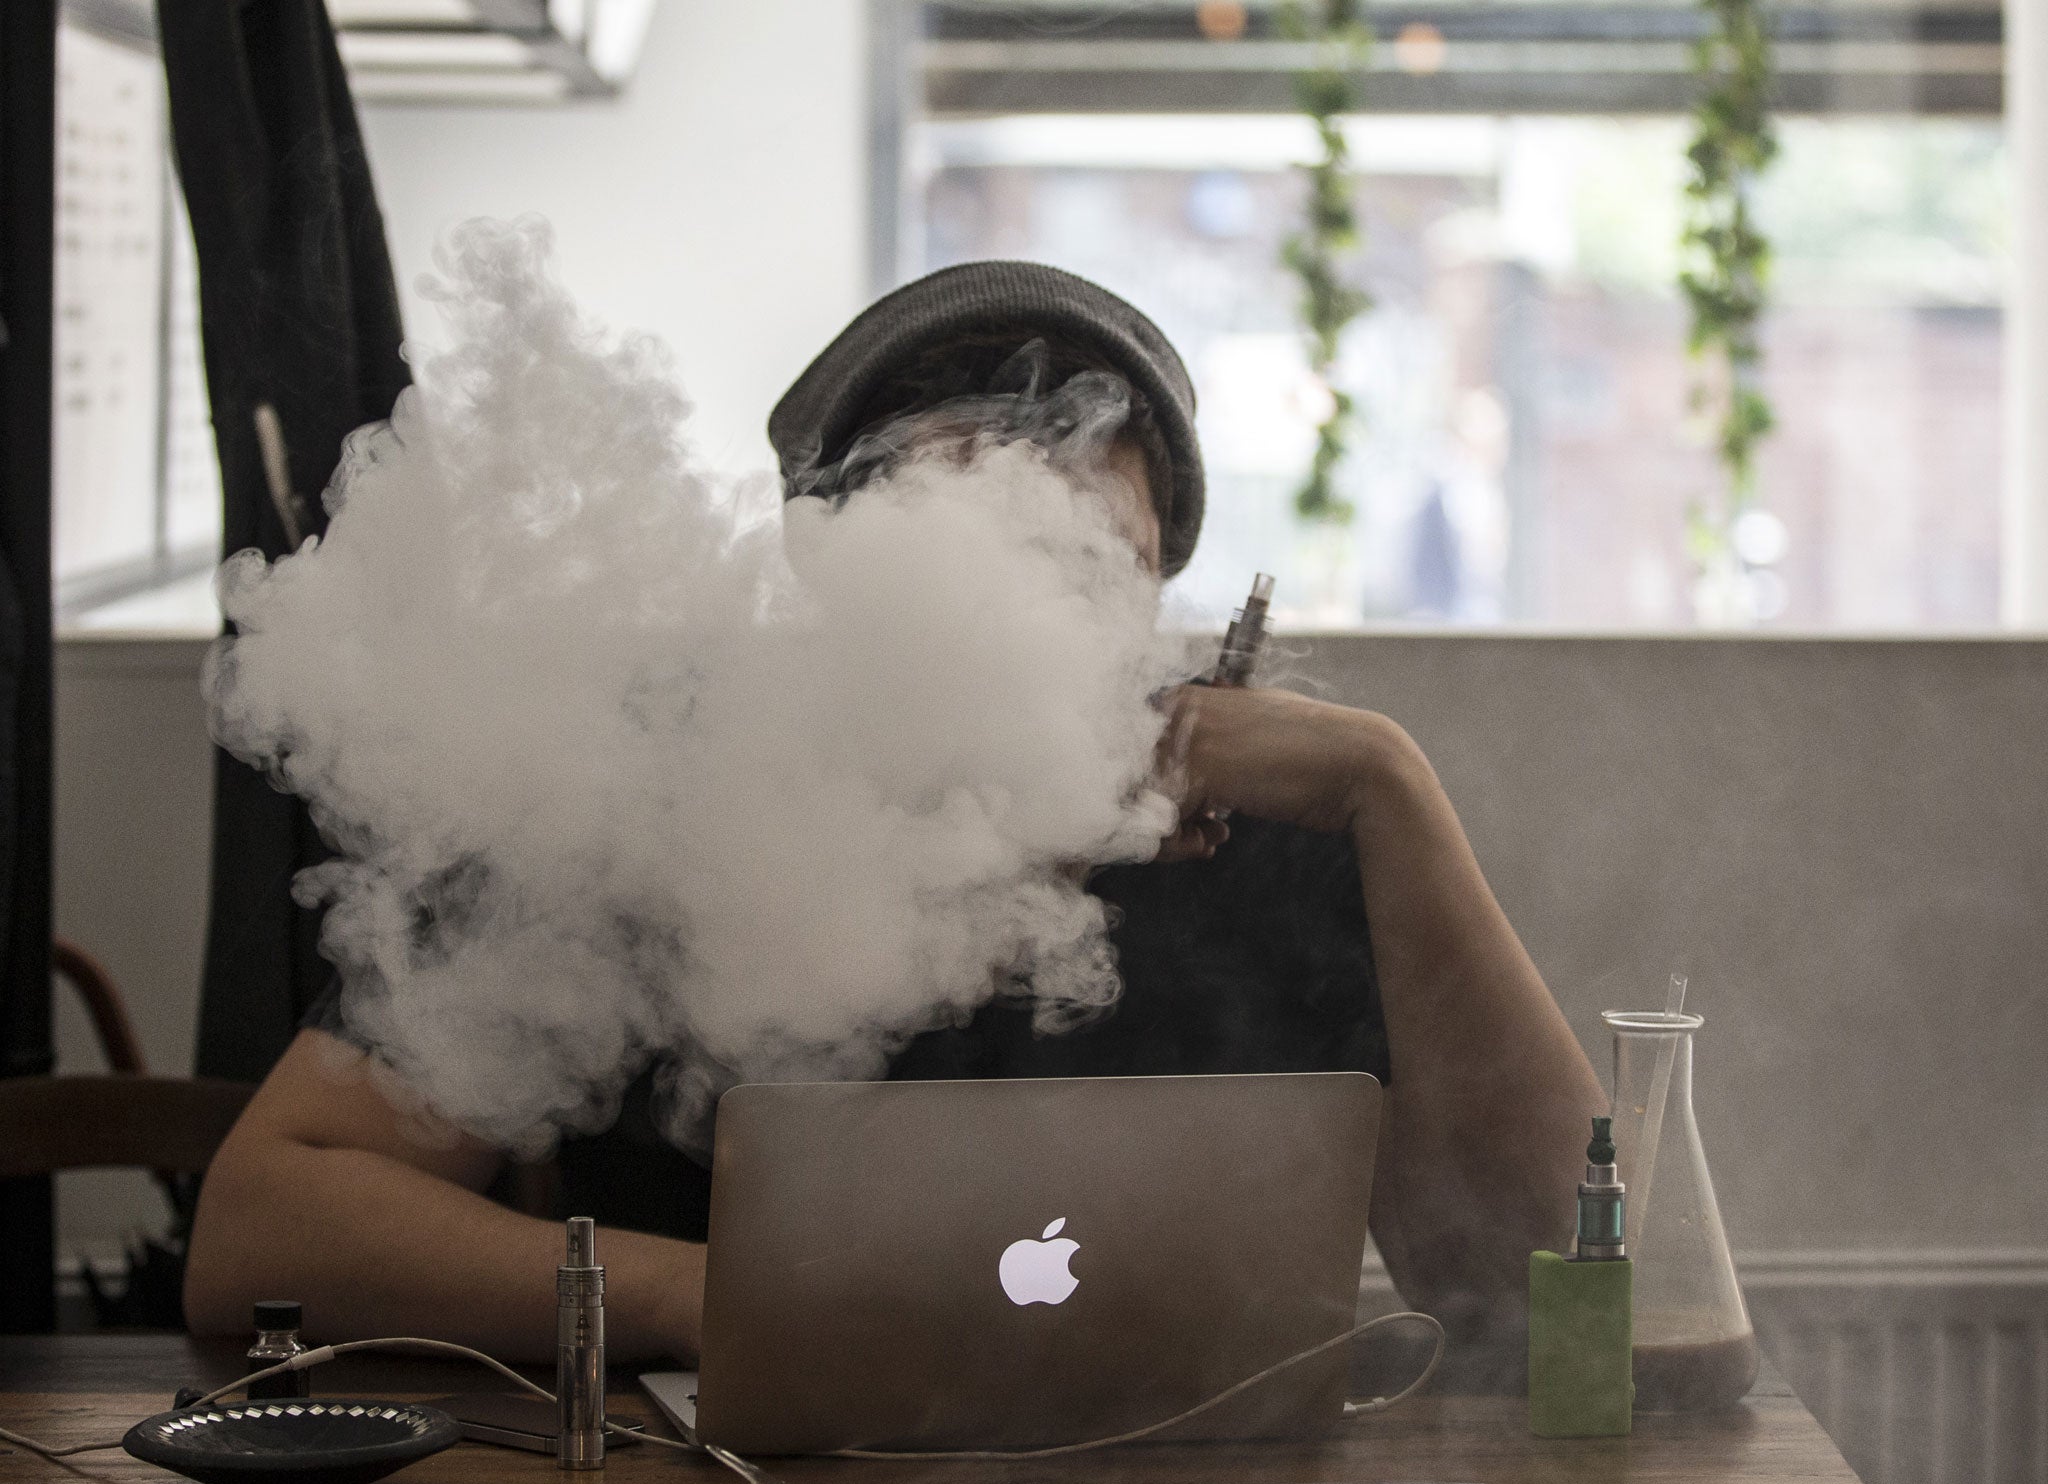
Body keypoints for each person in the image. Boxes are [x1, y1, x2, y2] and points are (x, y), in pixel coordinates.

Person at [184, 261, 1605, 1364]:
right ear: (829, 563)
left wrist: (1391, 792)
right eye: (978, 554)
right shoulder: (634, 792)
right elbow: (263, 1228)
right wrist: (709, 1299)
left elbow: (1557, 1300)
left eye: (1090, 574)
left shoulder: (1263, 827)